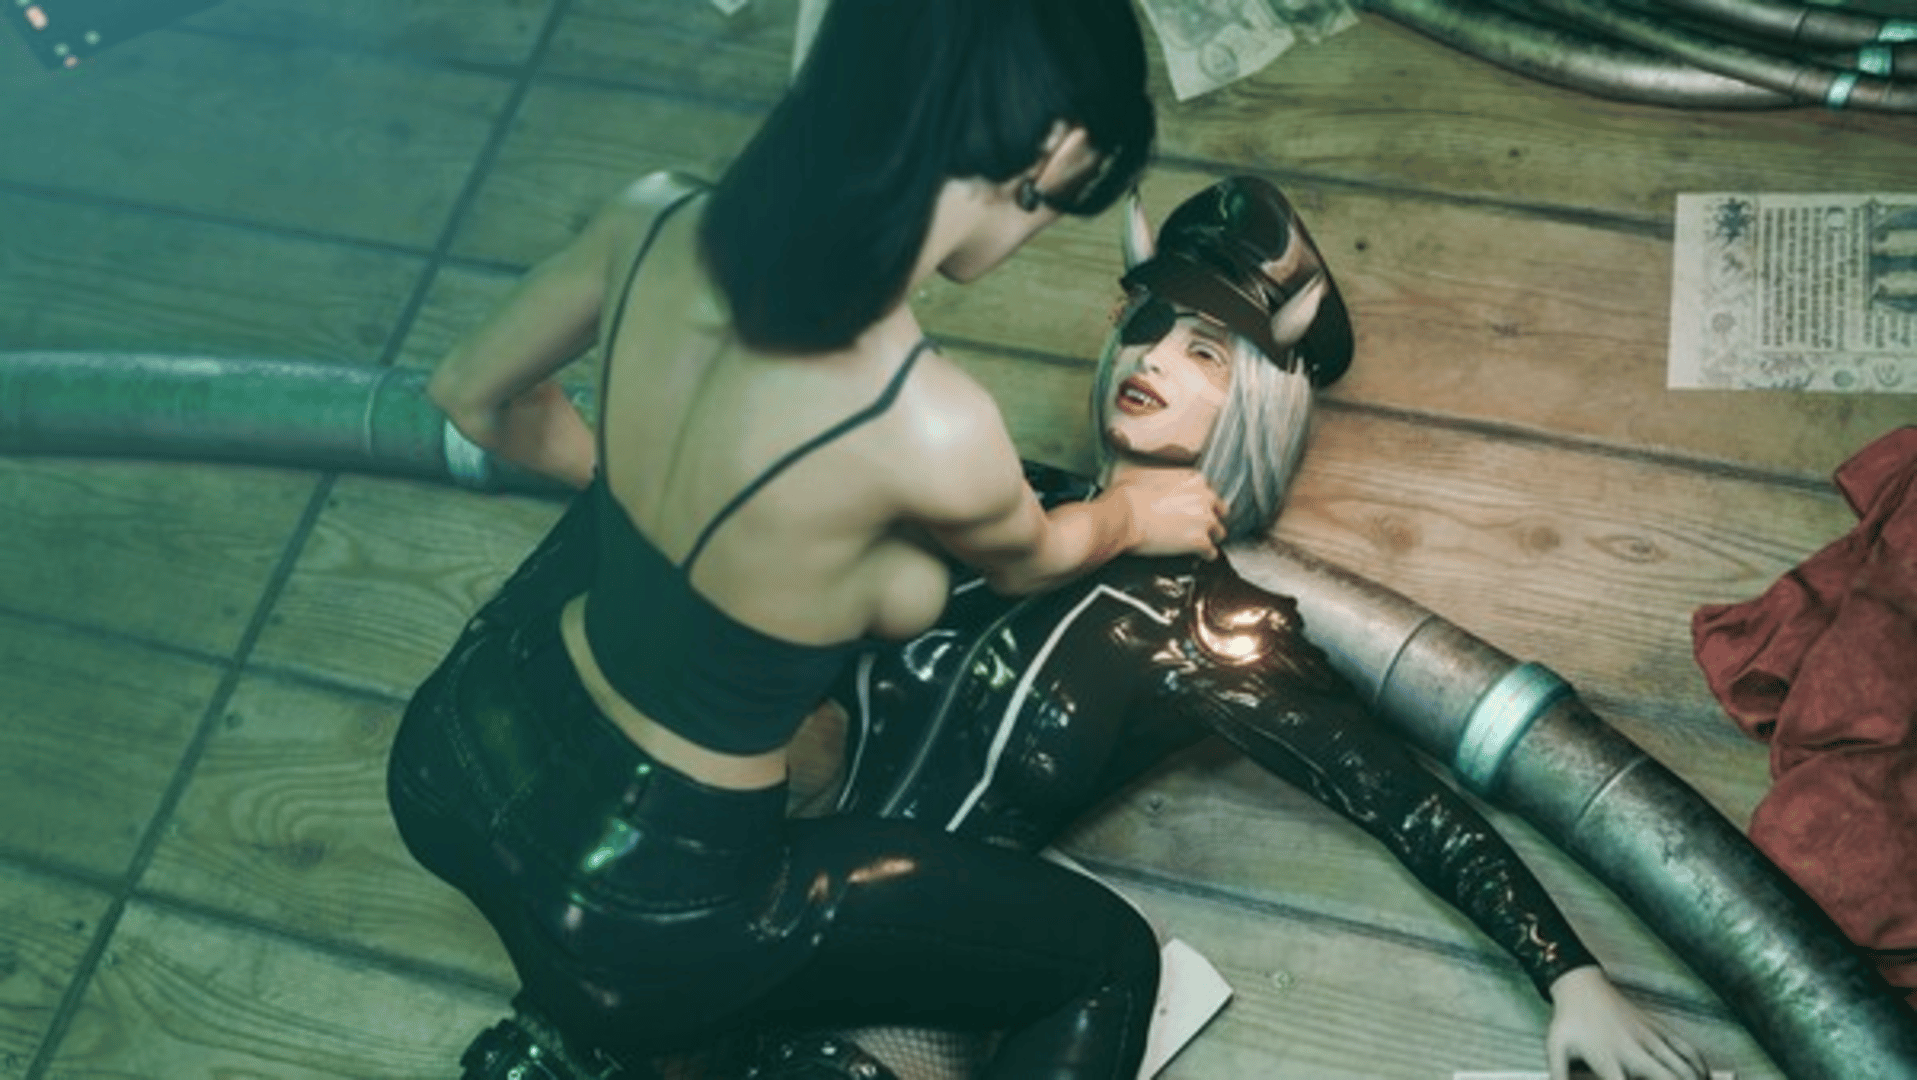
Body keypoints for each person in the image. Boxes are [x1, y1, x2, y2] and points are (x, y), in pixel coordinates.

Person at [384, 2, 1232, 1078]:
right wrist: (1132, 515)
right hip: (650, 906)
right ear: (1057, 149)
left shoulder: (651, 216)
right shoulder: (929, 424)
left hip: (460, 757)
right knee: (1106, 962)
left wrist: (656, 492)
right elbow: (1035, 560)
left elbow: (472, 395)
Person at [752, 176, 1714, 1080]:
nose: (1153, 358)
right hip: (757, 888)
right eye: (1147, 324)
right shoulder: (998, 500)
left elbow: (1398, 799)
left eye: (1204, 352)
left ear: (1258, 399)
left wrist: (1568, 975)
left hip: (897, 986)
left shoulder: (1210, 623)